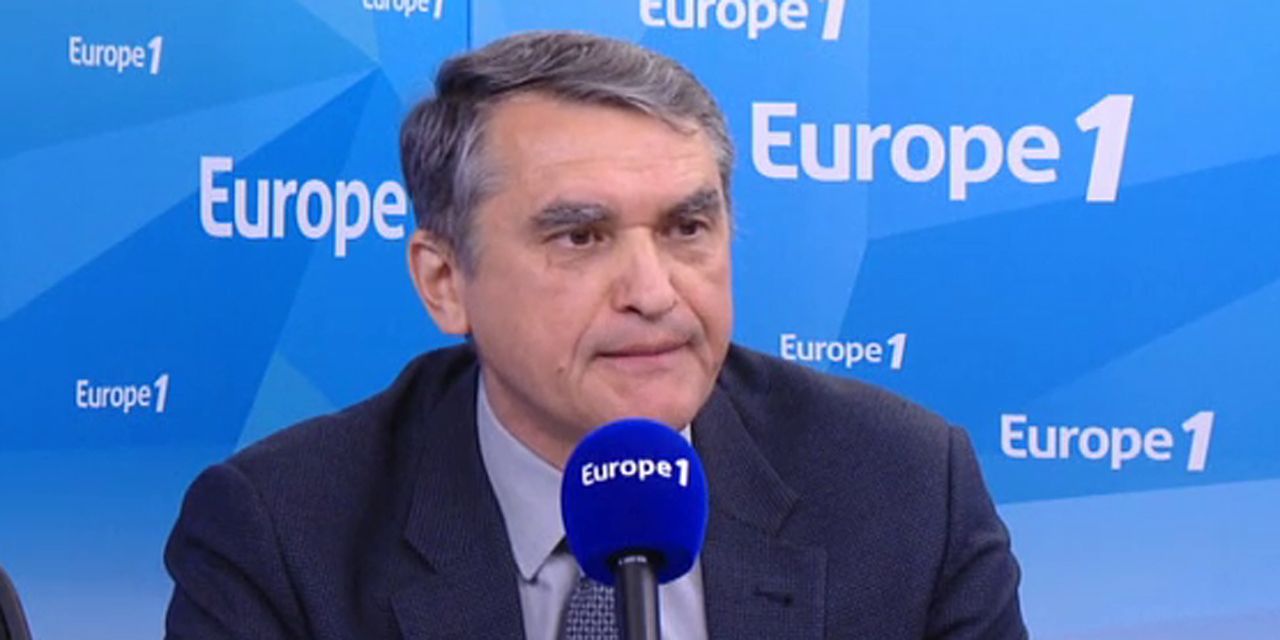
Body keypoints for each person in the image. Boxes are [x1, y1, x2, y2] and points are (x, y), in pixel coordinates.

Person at [164, 31, 1026, 639]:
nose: (653, 293)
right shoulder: (282, 537)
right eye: (580, 237)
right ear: (445, 281)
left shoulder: (906, 490)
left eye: (688, 228)